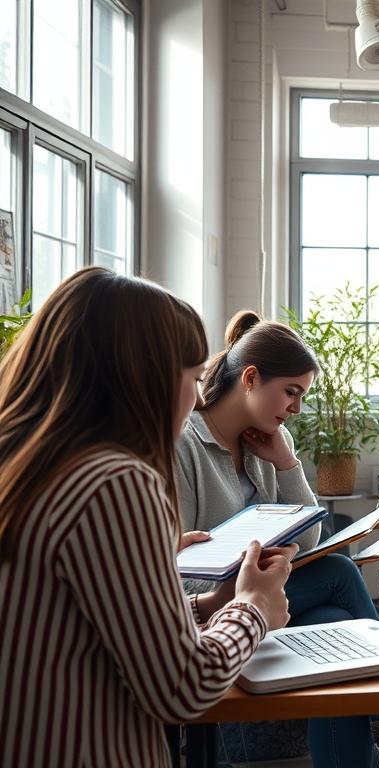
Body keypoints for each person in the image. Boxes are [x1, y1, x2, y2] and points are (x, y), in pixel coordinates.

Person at [0, 267, 291, 767]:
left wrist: (198, 604)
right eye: (194, 378)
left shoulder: (26, 461)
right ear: (141, 377)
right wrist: (253, 607)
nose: (199, 397)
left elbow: (73, 629)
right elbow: (183, 688)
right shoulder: (117, 482)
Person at [177, 310, 379, 768]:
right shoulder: (187, 444)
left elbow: (309, 540)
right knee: (339, 573)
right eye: (291, 392)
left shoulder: (268, 442)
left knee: (333, 616)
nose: (295, 408)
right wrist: (236, 588)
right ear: (250, 378)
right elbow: (179, 573)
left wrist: (287, 465)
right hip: (219, 600)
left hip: (273, 594)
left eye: (301, 396)